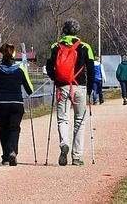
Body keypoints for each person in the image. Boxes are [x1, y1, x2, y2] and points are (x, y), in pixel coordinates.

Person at [46, 18, 95, 167]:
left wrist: (56, 79)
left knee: (63, 119)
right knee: (79, 121)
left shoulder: (55, 46)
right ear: (77, 31)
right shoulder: (85, 47)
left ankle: (64, 144)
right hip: (80, 87)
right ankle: (76, 157)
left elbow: (49, 67)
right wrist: (90, 89)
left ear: (64, 31)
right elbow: (91, 70)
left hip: (62, 87)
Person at [0, 43, 33, 166]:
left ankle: (6, 157)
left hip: (1, 103)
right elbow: (30, 89)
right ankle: (13, 151)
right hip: (16, 103)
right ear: (14, 54)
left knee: (3, 129)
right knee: (14, 128)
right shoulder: (21, 68)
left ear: (2, 54)